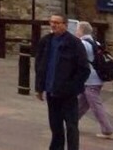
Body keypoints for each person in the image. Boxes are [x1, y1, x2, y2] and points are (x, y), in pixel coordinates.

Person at [35, 13, 91, 150]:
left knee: (71, 125)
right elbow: (40, 66)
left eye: (57, 22)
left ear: (65, 25)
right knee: (55, 125)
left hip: (68, 94)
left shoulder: (74, 43)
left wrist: (73, 88)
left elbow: (84, 69)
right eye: (51, 22)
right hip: (51, 91)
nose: (53, 25)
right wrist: (39, 87)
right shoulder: (46, 41)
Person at [76, 20, 113, 139]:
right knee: (82, 103)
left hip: (90, 80)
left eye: (77, 29)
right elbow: (106, 59)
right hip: (96, 78)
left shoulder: (82, 44)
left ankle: (108, 130)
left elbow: (75, 60)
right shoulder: (96, 43)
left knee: (95, 106)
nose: (76, 31)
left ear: (81, 31)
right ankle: (71, 121)